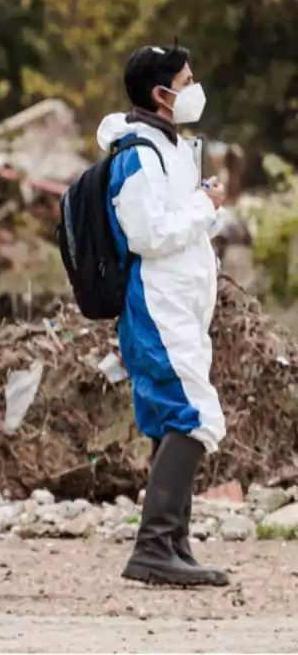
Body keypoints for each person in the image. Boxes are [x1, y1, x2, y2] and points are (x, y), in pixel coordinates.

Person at [98, 45, 228, 588]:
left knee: (170, 417)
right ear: (162, 93)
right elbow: (148, 235)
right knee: (197, 416)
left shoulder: (168, 148)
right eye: (187, 80)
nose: (194, 88)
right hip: (157, 306)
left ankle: (172, 542)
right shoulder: (136, 156)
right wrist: (204, 204)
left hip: (179, 305)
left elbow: (181, 224)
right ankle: (152, 546)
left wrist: (204, 206)